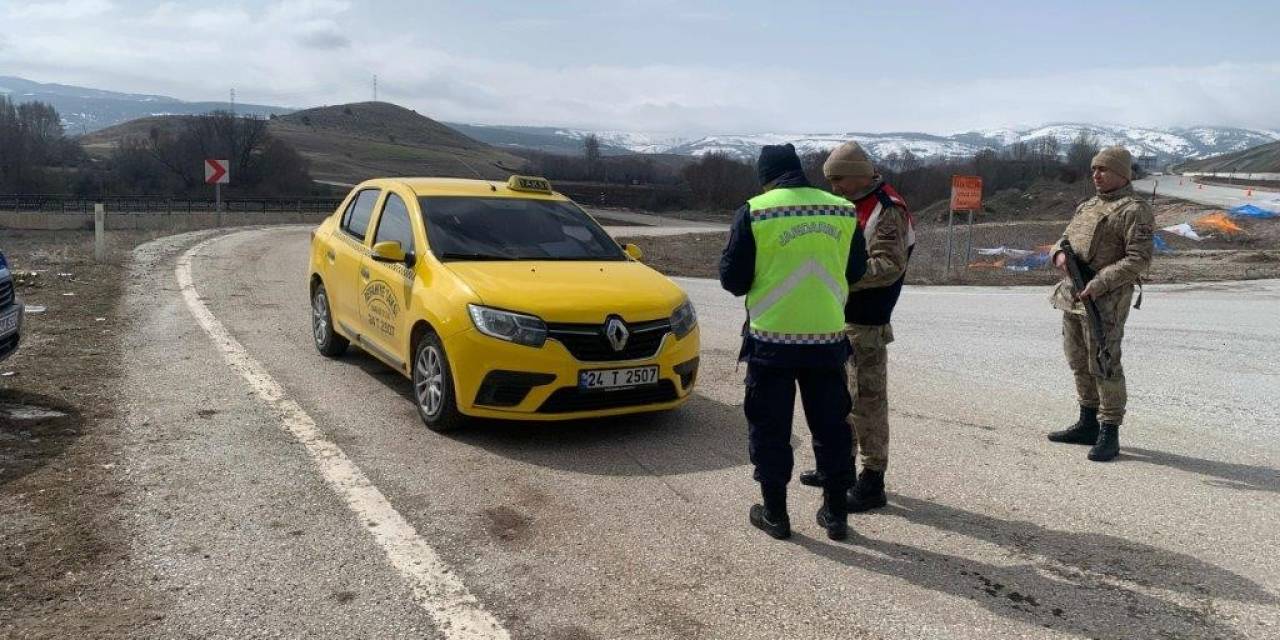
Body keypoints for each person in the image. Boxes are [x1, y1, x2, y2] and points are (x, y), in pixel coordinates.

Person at [719, 143, 867, 541]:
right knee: (832, 427)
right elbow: (856, 269)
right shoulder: (842, 210)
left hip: (771, 343)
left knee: (770, 428)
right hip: (827, 339)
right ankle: (836, 515)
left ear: (765, 176)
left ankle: (775, 515)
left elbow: (732, 281)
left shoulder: (756, 210)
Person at [797, 141, 915, 512]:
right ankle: (839, 468)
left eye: (839, 180)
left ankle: (872, 479)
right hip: (840, 318)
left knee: (868, 403)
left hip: (867, 321)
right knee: (838, 402)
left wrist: (838, 277)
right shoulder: (852, 204)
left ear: (859, 173)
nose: (836, 188)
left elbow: (888, 266)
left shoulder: (887, 209)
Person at [1047, 146, 1154, 462]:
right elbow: (1063, 238)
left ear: (1122, 174)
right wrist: (1059, 255)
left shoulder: (1134, 210)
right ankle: (1087, 422)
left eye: (1103, 169)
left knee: (1105, 363)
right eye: (1094, 169)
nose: (1096, 174)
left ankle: (1109, 430)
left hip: (1105, 300)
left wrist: (1100, 282)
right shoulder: (1088, 205)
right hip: (1073, 294)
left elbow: (1139, 259)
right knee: (1078, 360)